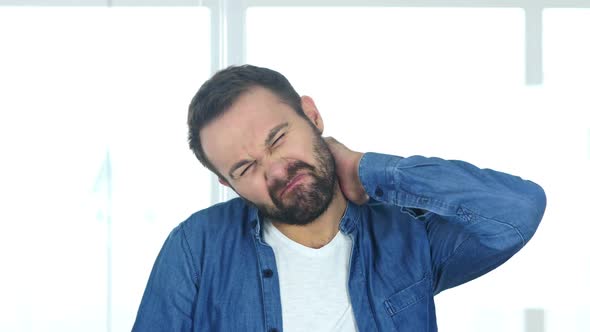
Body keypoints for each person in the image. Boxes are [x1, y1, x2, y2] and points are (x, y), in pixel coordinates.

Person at [132, 65, 546, 332]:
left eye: (278, 138)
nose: (275, 170)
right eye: (245, 168)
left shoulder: (405, 238)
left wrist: (367, 168)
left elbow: (516, 212)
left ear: (311, 116)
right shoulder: (196, 246)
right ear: (229, 185)